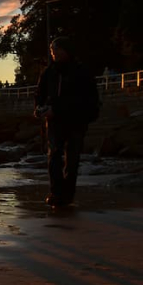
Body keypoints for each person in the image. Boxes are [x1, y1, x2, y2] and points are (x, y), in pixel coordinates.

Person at [34, 36, 100, 208]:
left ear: (67, 50)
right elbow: (39, 95)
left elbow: (85, 99)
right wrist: (39, 109)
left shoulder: (81, 72)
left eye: (56, 49)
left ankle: (67, 195)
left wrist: (57, 109)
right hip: (54, 122)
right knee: (54, 155)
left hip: (76, 120)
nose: (53, 53)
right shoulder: (49, 72)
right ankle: (56, 193)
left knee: (72, 159)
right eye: (51, 50)